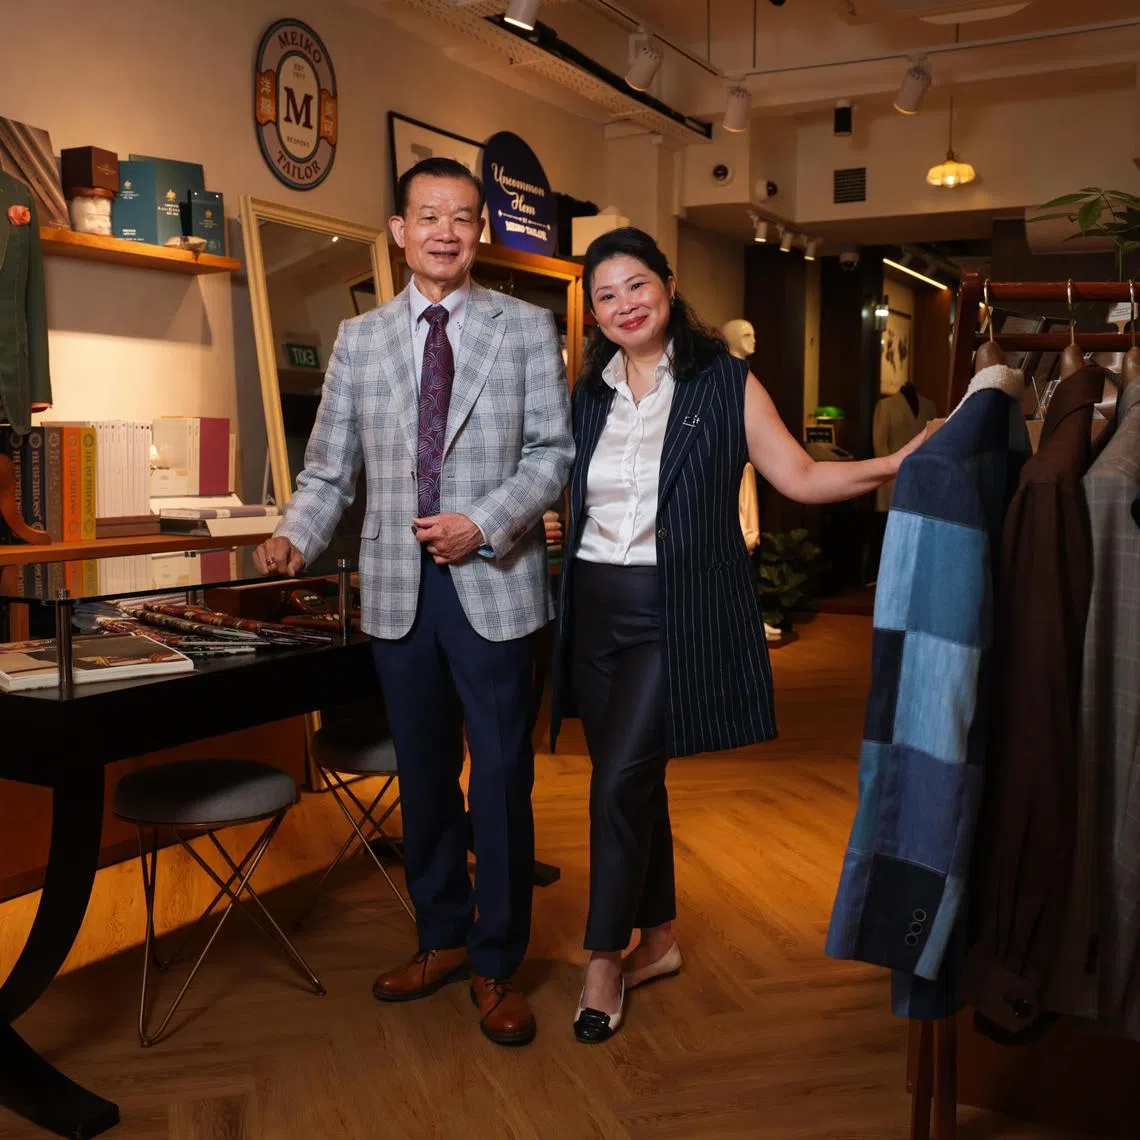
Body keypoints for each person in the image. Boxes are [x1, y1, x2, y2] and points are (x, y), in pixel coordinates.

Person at [550, 227, 931, 1044]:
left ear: (668, 283)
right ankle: (660, 940)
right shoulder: (588, 394)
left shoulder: (724, 382)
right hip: (592, 604)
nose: (623, 306)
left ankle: (604, 957)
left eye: (636, 286)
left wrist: (895, 464)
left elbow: (797, 475)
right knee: (633, 778)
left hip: (672, 610)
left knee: (615, 780)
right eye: (606, 295)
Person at [254, 157, 573, 1047]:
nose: (445, 230)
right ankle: (440, 937)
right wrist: (293, 538)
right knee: (425, 776)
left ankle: (496, 962)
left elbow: (552, 454)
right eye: (428, 214)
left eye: (462, 217)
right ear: (399, 231)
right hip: (397, 594)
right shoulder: (360, 341)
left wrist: (483, 521)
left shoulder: (524, 327)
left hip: (496, 585)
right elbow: (328, 470)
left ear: (480, 231)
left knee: (502, 779)